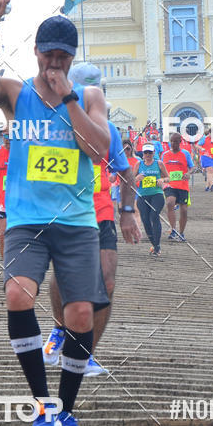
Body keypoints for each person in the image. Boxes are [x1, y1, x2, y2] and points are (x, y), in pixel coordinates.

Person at [0, 0, 137, 426]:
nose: (54, 65)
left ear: (73, 59)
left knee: (78, 313)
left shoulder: (89, 96)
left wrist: (69, 98)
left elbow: (97, 150)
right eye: (48, 56)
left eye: (63, 58)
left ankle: (66, 414)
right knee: (17, 295)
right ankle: (42, 407)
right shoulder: (16, 94)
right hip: (27, 222)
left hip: (76, 223)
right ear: (35, 53)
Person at [43, 64, 140, 377]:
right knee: (64, 276)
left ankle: (84, 355)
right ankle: (60, 328)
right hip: (64, 212)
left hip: (100, 212)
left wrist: (127, 212)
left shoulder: (107, 128)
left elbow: (126, 171)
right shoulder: (53, 124)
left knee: (107, 282)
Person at [135, 143, 169, 258]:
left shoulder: (158, 163)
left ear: (154, 153)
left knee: (154, 216)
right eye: (146, 153)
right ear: (143, 154)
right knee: (145, 220)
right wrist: (136, 178)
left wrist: (162, 180)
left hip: (157, 194)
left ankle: (157, 246)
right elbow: (129, 180)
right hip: (143, 196)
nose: (148, 155)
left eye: (150, 152)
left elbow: (168, 177)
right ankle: (154, 245)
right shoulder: (138, 164)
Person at [162, 131, 194, 242]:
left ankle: (181, 233)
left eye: (175, 142)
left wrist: (188, 173)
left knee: (184, 210)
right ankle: (173, 230)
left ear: (180, 142)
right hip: (170, 185)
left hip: (183, 185)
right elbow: (161, 168)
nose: (173, 144)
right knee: (170, 202)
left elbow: (192, 167)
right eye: (171, 141)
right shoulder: (165, 155)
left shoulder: (185, 154)